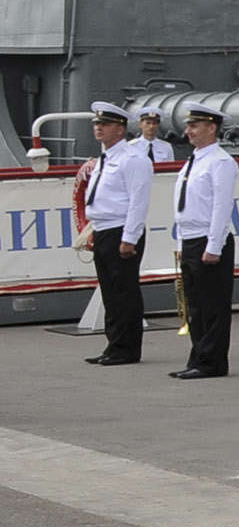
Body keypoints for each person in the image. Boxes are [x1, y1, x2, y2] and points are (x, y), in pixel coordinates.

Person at [167, 100, 239, 381]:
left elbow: (221, 207)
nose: (188, 131)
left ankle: (212, 361)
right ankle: (198, 356)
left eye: (194, 125)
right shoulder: (194, 160)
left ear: (212, 127)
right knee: (195, 305)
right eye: (188, 125)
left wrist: (214, 245)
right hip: (191, 238)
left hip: (209, 240)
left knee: (213, 305)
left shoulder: (220, 162)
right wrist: (182, 243)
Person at [80, 99, 152, 365]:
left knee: (124, 292)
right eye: (97, 123)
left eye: (105, 124)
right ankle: (114, 345)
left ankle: (127, 348)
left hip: (121, 230)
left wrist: (129, 238)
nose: (98, 128)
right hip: (103, 230)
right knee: (110, 292)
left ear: (120, 129)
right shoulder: (106, 157)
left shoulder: (133, 159)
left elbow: (138, 201)